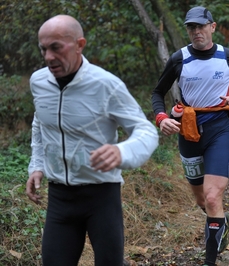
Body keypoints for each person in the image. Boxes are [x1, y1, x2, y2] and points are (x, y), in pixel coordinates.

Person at [26, 15, 159, 266]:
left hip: (101, 197)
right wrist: (37, 164)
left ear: (79, 44)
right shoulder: (38, 81)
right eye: (43, 49)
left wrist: (122, 151)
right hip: (59, 199)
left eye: (56, 47)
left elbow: (146, 131)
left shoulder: (105, 84)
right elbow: (40, 123)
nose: (48, 57)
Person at [151, 6, 229, 266]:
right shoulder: (179, 58)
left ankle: (210, 260)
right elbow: (157, 93)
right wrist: (162, 118)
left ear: (213, 26)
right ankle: (223, 220)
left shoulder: (228, 56)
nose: (196, 31)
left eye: (201, 26)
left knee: (212, 196)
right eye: (191, 27)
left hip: (220, 128)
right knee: (202, 199)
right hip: (189, 131)